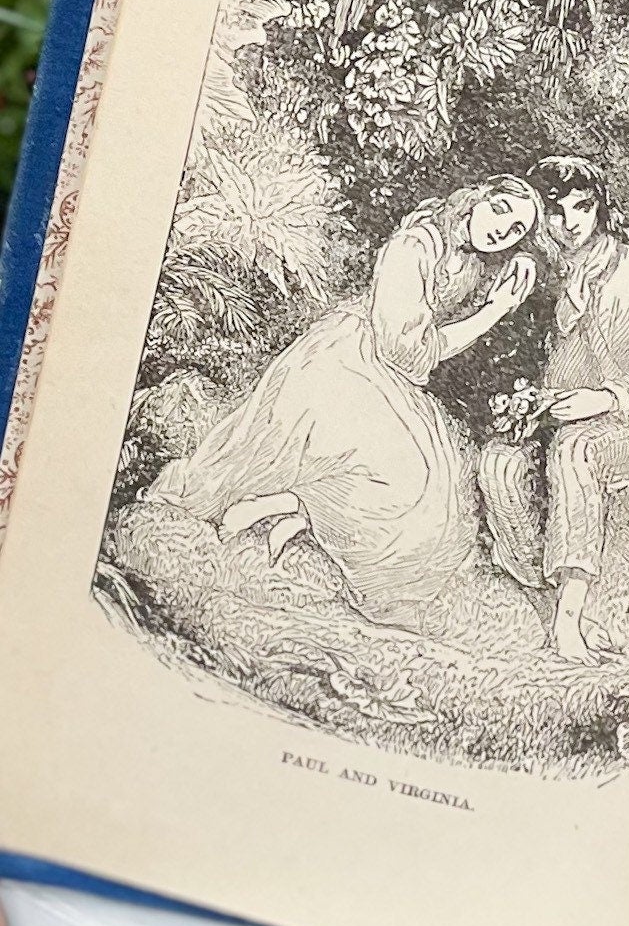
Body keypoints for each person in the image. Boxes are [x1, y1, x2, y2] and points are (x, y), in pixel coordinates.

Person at [149, 178, 542, 631]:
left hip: (383, 373)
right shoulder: (414, 246)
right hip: (342, 362)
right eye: (500, 210)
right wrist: (493, 312)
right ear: (476, 198)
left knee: (441, 487)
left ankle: (292, 513)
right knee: (406, 475)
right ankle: (285, 510)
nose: (502, 231)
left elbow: (430, 341)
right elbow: (405, 351)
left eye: (516, 230)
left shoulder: (469, 261)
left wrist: (517, 273)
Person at [478, 156, 629, 663]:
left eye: (583, 207)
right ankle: (550, 600)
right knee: (498, 464)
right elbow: (508, 356)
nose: (571, 222)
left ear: (599, 210)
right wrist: (528, 404)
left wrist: (608, 396)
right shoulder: (532, 270)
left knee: (574, 453)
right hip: (550, 416)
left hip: (621, 423)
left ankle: (568, 622)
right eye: (556, 211)